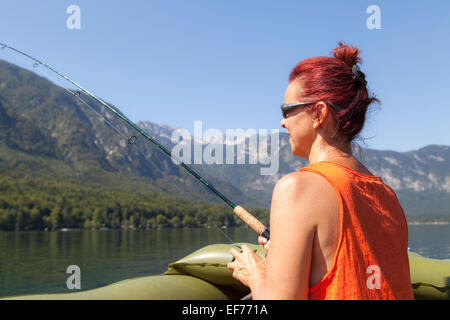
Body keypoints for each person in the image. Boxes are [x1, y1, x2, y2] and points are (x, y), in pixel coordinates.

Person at [227, 42, 415, 300]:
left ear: (318, 113)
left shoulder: (298, 188)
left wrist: (256, 276)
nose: (282, 122)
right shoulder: (388, 196)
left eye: (286, 110)